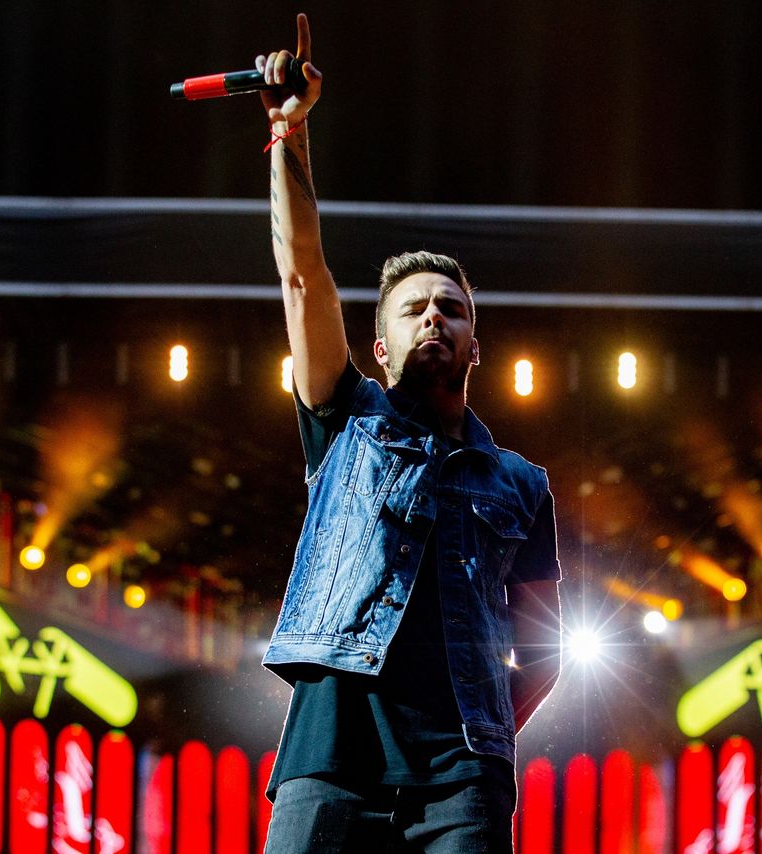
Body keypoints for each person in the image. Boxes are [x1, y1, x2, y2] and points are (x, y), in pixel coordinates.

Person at [252, 14, 563, 854]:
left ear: (474, 343)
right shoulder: (343, 417)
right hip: (329, 758)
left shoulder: (521, 485)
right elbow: (301, 275)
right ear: (380, 344)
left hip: (462, 782)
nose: (436, 316)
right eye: (415, 308)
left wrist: (483, 734)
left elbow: (546, 650)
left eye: (452, 309)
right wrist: (290, 134)